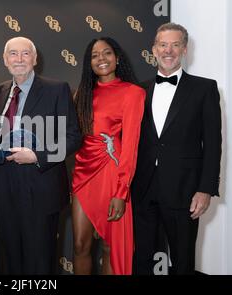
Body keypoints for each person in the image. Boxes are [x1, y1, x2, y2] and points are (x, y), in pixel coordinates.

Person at [131, 23, 222, 275]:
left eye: (175, 45)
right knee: (141, 261)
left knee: (183, 262)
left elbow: (213, 144)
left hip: (185, 190)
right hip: (142, 189)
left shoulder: (205, 88)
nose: (168, 50)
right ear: (154, 49)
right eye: (163, 45)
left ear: (185, 49)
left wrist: (206, 188)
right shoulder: (139, 89)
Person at [0, 36, 82, 274]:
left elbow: (73, 137)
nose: (19, 59)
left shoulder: (57, 89)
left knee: (40, 261)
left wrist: (37, 155)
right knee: (10, 260)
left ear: (35, 58)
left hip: (41, 187)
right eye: (13, 54)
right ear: (4, 59)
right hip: (5, 189)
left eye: (25, 53)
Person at [71, 37, 145, 275]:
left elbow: (131, 144)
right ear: (88, 62)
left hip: (113, 173)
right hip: (83, 171)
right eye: (94, 55)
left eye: (107, 53)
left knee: (109, 245)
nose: (101, 59)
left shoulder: (133, 93)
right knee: (80, 244)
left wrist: (121, 192)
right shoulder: (81, 94)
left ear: (117, 58)